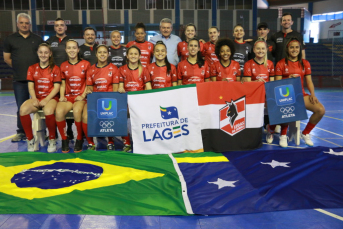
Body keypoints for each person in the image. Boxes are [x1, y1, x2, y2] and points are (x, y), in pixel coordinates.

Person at [269, 38, 325, 148]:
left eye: (297, 47)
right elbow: (277, 84)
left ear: (300, 49)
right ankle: (283, 135)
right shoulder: (281, 63)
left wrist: (312, 95)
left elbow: (309, 81)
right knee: (288, 105)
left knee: (320, 110)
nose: (294, 49)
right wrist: (288, 79)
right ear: (287, 49)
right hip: (285, 96)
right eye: (292, 47)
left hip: (301, 95)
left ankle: (305, 133)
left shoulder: (305, 63)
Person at [3, 13, 43, 142]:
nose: (24, 25)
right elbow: (7, 59)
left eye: (26, 23)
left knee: (42, 105)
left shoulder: (37, 39)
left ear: (30, 25)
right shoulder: (10, 39)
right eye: (22, 23)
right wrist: (21, 69)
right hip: (20, 80)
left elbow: (43, 57)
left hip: (37, 80)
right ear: (17, 24)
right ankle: (21, 132)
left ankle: (44, 132)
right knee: (21, 107)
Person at [19, 43, 61, 152]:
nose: (43, 54)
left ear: (50, 54)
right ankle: (30, 139)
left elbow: (56, 88)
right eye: (41, 52)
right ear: (37, 53)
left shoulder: (55, 68)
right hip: (37, 98)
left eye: (46, 52)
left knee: (48, 110)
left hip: (51, 98)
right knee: (23, 110)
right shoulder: (32, 68)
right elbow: (30, 86)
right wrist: (33, 98)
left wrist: (46, 99)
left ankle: (52, 139)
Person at [83, 45, 120, 151]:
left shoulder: (113, 68)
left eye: (104, 52)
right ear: (96, 54)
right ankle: (91, 143)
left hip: (109, 100)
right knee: (85, 116)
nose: (102, 54)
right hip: (95, 100)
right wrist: (90, 92)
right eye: (100, 52)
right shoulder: (91, 69)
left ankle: (111, 141)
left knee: (108, 114)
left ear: (108, 54)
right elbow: (89, 88)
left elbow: (115, 89)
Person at [56, 40, 90, 153]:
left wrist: (83, 95)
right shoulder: (63, 65)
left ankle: (79, 138)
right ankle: (64, 139)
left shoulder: (86, 64)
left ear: (78, 49)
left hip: (81, 97)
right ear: (66, 50)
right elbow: (63, 83)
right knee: (59, 112)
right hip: (68, 96)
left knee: (77, 111)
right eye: (69, 48)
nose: (72, 50)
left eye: (74, 48)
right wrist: (61, 96)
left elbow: (88, 83)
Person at [118, 46, 152, 152]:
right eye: (131, 54)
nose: (133, 56)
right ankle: (127, 142)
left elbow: (149, 87)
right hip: (126, 100)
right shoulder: (122, 69)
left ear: (139, 56)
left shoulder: (144, 70)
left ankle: (141, 141)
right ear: (127, 56)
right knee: (121, 113)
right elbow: (120, 86)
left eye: (135, 54)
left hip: (140, 100)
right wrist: (120, 88)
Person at [47, 18, 74, 139]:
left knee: (65, 102)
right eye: (57, 25)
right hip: (53, 77)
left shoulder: (70, 41)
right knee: (52, 104)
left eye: (62, 25)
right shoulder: (50, 41)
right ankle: (53, 132)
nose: (59, 27)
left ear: (65, 27)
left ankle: (68, 129)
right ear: (54, 28)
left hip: (67, 76)